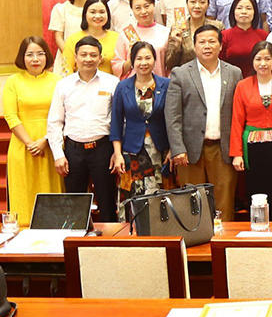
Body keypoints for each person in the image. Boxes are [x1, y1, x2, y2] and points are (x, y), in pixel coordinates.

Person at [164, 25, 241, 220]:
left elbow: (238, 114)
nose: (207, 46)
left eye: (212, 41)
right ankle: (195, 247)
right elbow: (172, 115)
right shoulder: (180, 73)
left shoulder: (234, 73)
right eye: (202, 42)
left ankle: (224, 246)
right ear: (195, 46)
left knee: (224, 205)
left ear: (220, 46)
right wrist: (177, 148)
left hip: (223, 149)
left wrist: (237, 149)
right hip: (189, 151)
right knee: (192, 206)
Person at [47, 37, 120, 221]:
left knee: (107, 203)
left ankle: (109, 246)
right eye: (84, 54)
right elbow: (55, 122)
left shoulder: (112, 83)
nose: (88, 59)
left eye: (93, 55)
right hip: (73, 151)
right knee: (75, 204)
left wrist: (117, 151)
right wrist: (58, 154)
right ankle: (76, 243)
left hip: (103, 149)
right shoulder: (63, 85)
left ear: (100, 58)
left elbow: (119, 120)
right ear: (76, 57)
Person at [230, 42, 272, 221]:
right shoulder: (243, 85)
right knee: (257, 190)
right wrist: (237, 154)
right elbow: (237, 120)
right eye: (258, 59)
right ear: (252, 61)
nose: (263, 63)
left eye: (267, 59)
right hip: (253, 149)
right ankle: (259, 229)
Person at [4, 37, 63, 223]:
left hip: (51, 143)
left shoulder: (58, 81)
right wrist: (30, 143)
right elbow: (11, 116)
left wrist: (46, 140)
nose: (35, 59)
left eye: (40, 54)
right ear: (23, 57)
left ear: (47, 56)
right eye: (30, 54)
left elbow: (64, 114)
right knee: (24, 189)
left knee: (51, 188)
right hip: (23, 146)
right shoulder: (13, 81)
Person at [110, 42, 172, 203]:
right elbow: (116, 123)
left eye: (148, 58)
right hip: (132, 151)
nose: (143, 63)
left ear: (154, 60)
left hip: (160, 151)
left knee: (159, 198)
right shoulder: (123, 87)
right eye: (138, 59)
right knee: (132, 198)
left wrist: (173, 149)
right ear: (132, 61)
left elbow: (173, 120)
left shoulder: (166, 85)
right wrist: (117, 154)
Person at [163, 0, 224, 72]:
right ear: (187, 3)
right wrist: (177, 45)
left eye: (202, 2)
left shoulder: (217, 27)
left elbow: (224, 57)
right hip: (187, 78)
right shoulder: (177, 28)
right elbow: (170, 64)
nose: (197, 6)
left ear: (208, 5)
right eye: (193, 2)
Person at [113, 0, 169, 77]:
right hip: (133, 86)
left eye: (146, 6)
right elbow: (116, 67)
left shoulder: (166, 32)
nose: (143, 12)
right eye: (138, 8)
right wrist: (132, 57)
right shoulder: (126, 34)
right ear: (132, 9)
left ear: (154, 6)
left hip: (160, 84)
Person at [50, 0, 92, 75]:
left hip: (91, 58)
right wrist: (73, 58)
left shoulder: (96, 9)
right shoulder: (61, 9)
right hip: (67, 58)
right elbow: (58, 37)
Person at [63, 0, 118, 76]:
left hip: (110, 86)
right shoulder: (73, 39)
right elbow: (67, 69)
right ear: (85, 14)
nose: (98, 16)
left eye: (102, 12)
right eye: (93, 12)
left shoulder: (117, 38)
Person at [220, 0, 268, 79]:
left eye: (248, 8)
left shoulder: (263, 35)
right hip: (230, 81)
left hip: (258, 81)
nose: (244, 12)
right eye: (239, 8)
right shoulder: (224, 35)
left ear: (255, 12)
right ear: (233, 11)